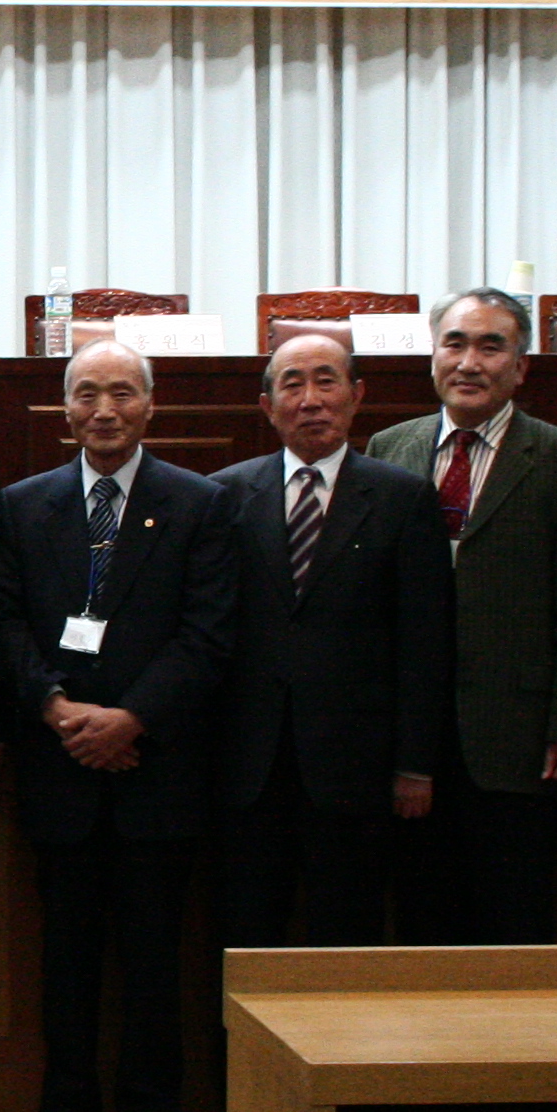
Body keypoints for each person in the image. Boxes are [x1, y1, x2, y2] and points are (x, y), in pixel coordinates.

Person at [0, 340, 236, 1112]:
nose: (104, 410)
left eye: (122, 392)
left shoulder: (200, 504)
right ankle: (64, 1111)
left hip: (155, 768)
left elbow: (208, 633)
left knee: (154, 955)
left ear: (150, 405)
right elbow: (3, 623)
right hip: (59, 764)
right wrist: (59, 711)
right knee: (65, 955)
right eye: (87, 393)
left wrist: (130, 720)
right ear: (65, 409)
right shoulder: (23, 506)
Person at [367, 288, 557, 944]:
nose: (469, 362)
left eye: (490, 346)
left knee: (512, 919)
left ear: (521, 367)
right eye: (454, 344)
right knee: (419, 918)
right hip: (411, 738)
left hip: (517, 735)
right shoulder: (391, 447)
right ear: (433, 356)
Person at [209, 332, 451, 949]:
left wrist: (415, 765)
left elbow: (423, 640)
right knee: (245, 936)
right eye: (292, 384)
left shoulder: (402, 497)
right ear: (268, 406)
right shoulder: (225, 495)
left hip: (356, 769)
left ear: (356, 395)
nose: (310, 399)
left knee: (346, 938)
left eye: (326, 380)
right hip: (247, 765)